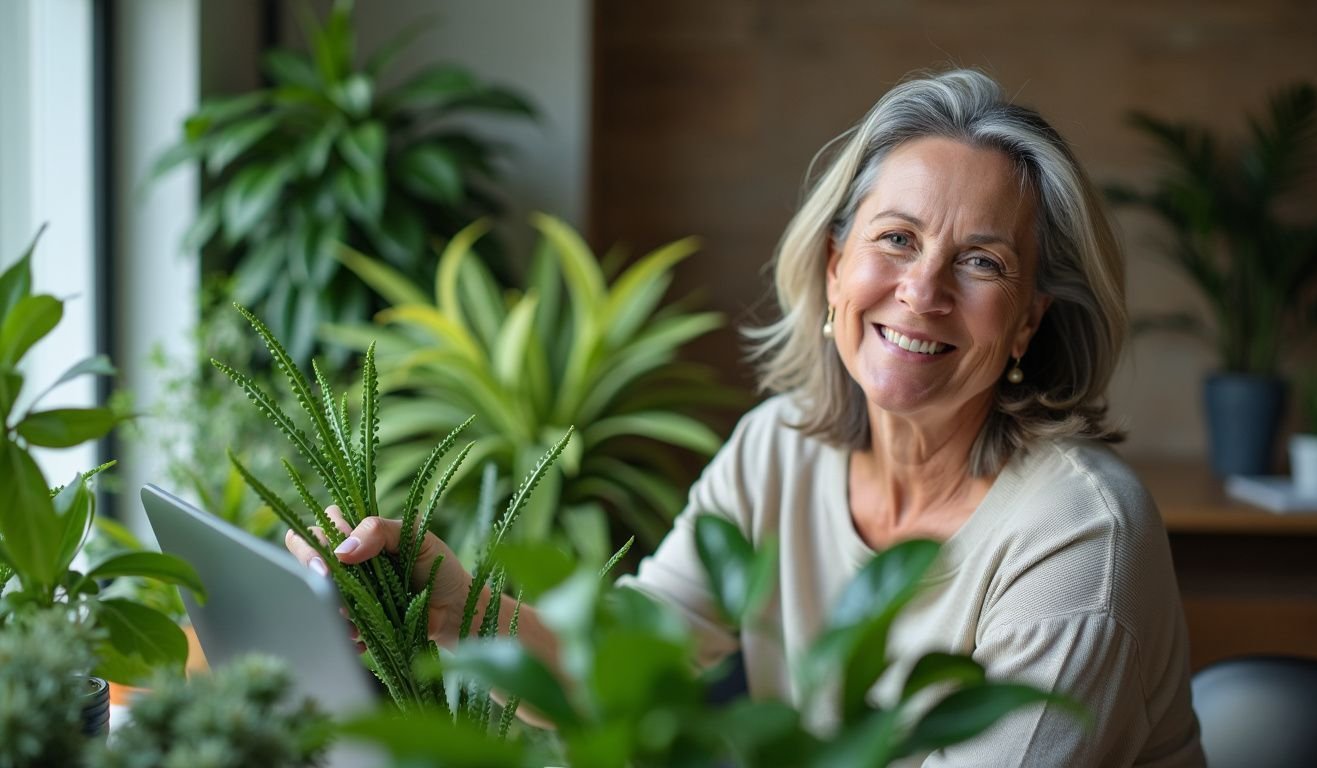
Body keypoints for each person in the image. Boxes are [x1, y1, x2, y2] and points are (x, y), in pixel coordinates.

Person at [286, 69, 1205, 766]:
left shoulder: (1077, 533)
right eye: (896, 239)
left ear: (1029, 321)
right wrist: (454, 604)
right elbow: (627, 664)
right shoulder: (781, 448)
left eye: (982, 264)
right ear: (837, 266)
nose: (921, 291)